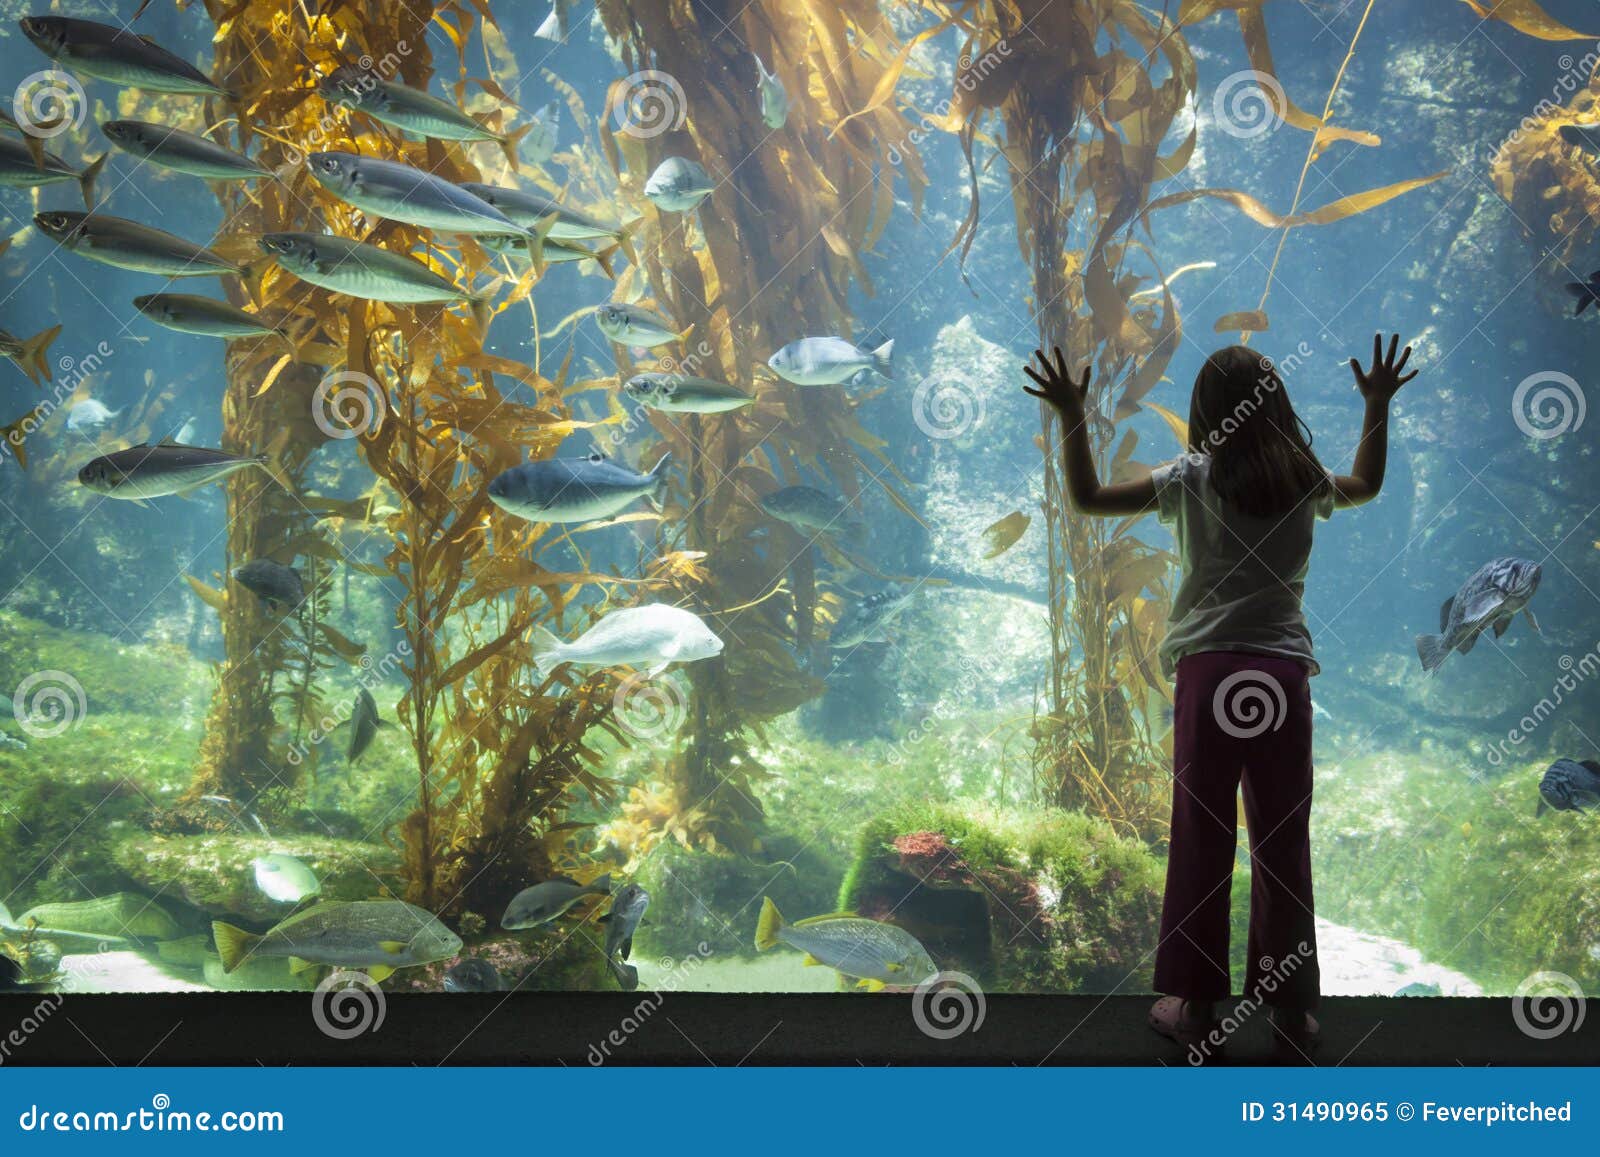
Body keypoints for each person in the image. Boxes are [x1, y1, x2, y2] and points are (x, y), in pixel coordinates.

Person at [1023, 335, 1416, 1061]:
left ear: (1206, 411)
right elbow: (1367, 483)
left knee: (1202, 838)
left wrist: (1072, 414)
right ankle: (1292, 1016)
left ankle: (1198, 1008)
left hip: (1210, 676)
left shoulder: (1189, 477)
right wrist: (1378, 405)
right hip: (1280, 678)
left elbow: (1086, 498)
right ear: (1279, 407)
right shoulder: (1302, 477)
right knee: (1282, 842)